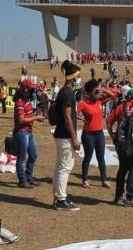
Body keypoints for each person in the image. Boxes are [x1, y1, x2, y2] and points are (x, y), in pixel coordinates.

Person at [52, 60, 81, 211]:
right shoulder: (68, 93)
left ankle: (58, 196)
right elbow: (66, 117)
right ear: (72, 77)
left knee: (60, 166)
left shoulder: (64, 92)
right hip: (65, 135)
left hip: (61, 134)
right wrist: (75, 137)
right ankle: (61, 199)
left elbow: (69, 115)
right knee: (65, 166)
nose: (79, 79)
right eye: (78, 76)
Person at [77, 79, 113, 189]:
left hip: (99, 134)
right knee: (88, 157)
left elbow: (113, 96)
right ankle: (84, 180)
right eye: (95, 91)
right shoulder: (83, 104)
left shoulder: (99, 102)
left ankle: (104, 180)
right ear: (89, 92)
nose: (98, 93)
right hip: (88, 134)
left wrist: (100, 88)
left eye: (98, 91)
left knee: (101, 157)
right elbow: (72, 113)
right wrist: (82, 118)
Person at [13, 80, 45, 188]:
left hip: (28, 132)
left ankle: (29, 177)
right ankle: (22, 180)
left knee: (33, 155)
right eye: (31, 89)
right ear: (25, 89)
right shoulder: (20, 102)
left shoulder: (27, 102)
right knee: (21, 158)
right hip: (22, 131)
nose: (33, 91)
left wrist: (36, 116)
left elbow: (27, 116)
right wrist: (36, 118)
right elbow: (21, 120)